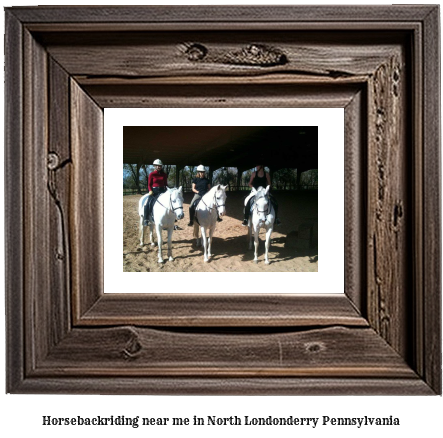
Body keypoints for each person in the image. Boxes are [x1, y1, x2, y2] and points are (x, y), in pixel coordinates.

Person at [143, 159, 168, 226]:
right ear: (155, 166)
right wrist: (150, 190)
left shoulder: (164, 174)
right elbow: (149, 184)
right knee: (148, 204)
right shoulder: (152, 174)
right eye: (157, 166)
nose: (158, 167)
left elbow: (166, 184)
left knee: (169, 202)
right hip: (154, 191)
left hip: (162, 191)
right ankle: (146, 219)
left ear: (161, 166)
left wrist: (168, 190)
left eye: (159, 166)